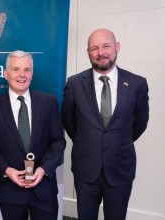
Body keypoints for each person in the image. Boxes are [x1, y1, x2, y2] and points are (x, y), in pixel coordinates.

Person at [61, 28, 149, 220]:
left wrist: (116, 142)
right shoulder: (74, 84)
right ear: (88, 53)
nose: (101, 52)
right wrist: (89, 141)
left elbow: (140, 123)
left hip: (120, 167)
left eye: (106, 46)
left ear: (117, 47)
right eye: (94, 48)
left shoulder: (137, 84)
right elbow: (68, 121)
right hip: (86, 169)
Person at [0, 50, 66, 220]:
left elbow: (58, 141)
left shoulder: (48, 102)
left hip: (44, 189)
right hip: (10, 192)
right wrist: (6, 170)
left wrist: (43, 169)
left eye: (27, 70)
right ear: (6, 74)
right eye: (16, 69)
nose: (22, 75)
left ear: (32, 73)